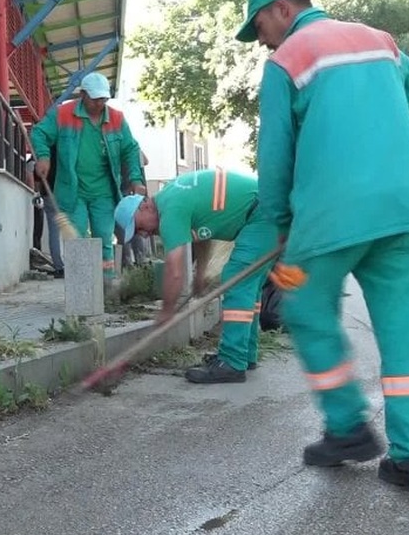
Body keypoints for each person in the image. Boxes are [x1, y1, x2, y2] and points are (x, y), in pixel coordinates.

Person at [237, 0, 409, 494]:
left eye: (260, 24)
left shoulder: (287, 60)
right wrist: (388, 156)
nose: (261, 37)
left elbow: (276, 159)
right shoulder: (382, 42)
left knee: (303, 307)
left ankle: (348, 425)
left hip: (328, 216)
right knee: (403, 333)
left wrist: (283, 221)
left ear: (283, 9)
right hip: (404, 211)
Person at [114, 168, 278, 384]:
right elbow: (203, 235)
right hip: (268, 210)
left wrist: (167, 310)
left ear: (144, 205)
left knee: (236, 279)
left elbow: (174, 270)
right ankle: (245, 355)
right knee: (249, 285)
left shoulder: (170, 210)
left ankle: (232, 362)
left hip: (263, 214)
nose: (143, 235)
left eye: (139, 227)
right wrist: (200, 275)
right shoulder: (173, 196)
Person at [31, 72, 146, 282]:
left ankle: (107, 286)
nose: (100, 103)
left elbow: (131, 148)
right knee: (78, 241)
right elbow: (39, 133)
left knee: (104, 238)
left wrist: (136, 179)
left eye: (103, 99)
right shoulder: (62, 113)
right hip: (72, 191)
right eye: (95, 99)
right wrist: (44, 157)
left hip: (104, 193)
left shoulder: (117, 119)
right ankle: (82, 290)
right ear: (82, 94)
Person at [25, 152, 64, 278]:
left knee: (54, 233)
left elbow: (31, 178)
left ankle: (59, 266)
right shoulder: (61, 153)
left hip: (48, 196)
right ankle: (75, 263)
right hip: (65, 195)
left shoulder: (36, 159)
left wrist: (36, 193)